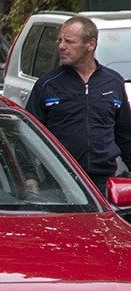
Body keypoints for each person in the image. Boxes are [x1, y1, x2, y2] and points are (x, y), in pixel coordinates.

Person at [26, 16, 131, 195]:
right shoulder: (47, 84)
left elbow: (126, 135)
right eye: (60, 40)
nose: (61, 46)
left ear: (90, 44)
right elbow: (27, 136)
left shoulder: (113, 82)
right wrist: (29, 175)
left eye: (69, 41)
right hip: (57, 182)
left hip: (102, 183)